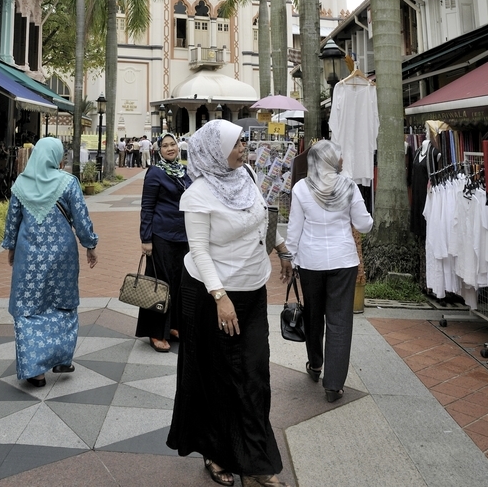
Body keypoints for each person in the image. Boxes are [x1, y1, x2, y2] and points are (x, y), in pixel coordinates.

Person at [167, 120, 292, 487]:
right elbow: (199, 250)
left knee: (255, 376)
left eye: (243, 142)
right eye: (236, 144)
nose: (243, 149)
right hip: (212, 296)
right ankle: (216, 452)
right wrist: (220, 297)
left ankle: (254, 461)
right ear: (215, 151)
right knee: (217, 378)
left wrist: (282, 248)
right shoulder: (198, 194)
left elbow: (261, 217)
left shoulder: (246, 176)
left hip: (252, 290)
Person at [2, 136, 99, 388]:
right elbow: (81, 217)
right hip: (62, 256)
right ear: (56, 156)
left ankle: (36, 371)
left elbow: (12, 221)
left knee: (29, 306)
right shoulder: (68, 182)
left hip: (28, 256)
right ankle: (61, 358)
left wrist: (11, 248)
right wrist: (90, 244)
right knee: (62, 302)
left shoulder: (21, 184)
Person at [285, 139, 373, 402]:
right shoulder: (348, 186)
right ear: (329, 160)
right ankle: (333, 385)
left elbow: (294, 228)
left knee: (313, 315)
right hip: (343, 261)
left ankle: (315, 365)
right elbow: (364, 225)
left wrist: (289, 258)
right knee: (340, 321)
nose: (342, 160)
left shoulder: (301, 188)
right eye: (339, 155)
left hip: (310, 261)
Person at [136, 132, 192, 352]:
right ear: (159, 150)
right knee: (160, 283)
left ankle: (173, 325)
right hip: (162, 236)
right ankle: (156, 331)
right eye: (165, 145)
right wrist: (146, 238)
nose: (170, 148)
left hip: (183, 236)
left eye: (172, 144)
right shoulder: (155, 172)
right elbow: (147, 207)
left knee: (179, 282)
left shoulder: (183, 171)